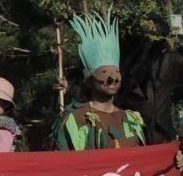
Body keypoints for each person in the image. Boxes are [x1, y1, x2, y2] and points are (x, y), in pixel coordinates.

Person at [49, 10, 146, 150]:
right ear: (88, 81)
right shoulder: (76, 120)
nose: (112, 79)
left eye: (116, 73)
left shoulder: (132, 120)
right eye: (104, 73)